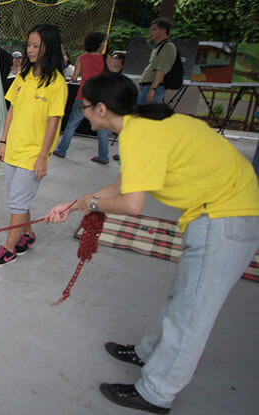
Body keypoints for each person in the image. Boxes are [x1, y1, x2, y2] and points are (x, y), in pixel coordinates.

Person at [45, 72, 259, 414]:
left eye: (84, 107)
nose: (83, 113)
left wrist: (93, 206)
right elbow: (121, 184)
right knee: (181, 297)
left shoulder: (137, 136)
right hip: (217, 212)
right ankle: (148, 354)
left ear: (101, 109)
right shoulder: (141, 124)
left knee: (191, 314)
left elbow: (131, 204)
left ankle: (156, 393)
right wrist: (73, 205)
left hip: (226, 218)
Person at [0, 24, 67, 268]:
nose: (30, 50)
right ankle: (27, 235)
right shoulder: (22, 76)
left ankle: (9, 249)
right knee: (18, 197)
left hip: (33, 154)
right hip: (13, 149)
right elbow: (11, 109)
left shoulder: (57, 83)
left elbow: (54, 123)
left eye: (35, 46)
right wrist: (2, 141)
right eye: (28, 45)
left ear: (48, 48)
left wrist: (43, 157)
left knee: (18, 201)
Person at [53, 32, 111, 164]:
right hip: (99, 97)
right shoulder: (106, 58)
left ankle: (62, 150)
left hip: (83, 96)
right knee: (102, 127)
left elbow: (74, 78)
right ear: (100, 44)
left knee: (72, 124)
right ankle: (103, 156)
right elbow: (114, 73)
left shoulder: (82, 58)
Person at [138, 17, 176, 105]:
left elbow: (161, 70)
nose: (151, 32)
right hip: (147, 86)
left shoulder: (168, 47)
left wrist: (152, 89)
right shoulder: (159, 46)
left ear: (163, 31)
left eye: (154, 29)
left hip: (153, 87)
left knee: (143, 114)